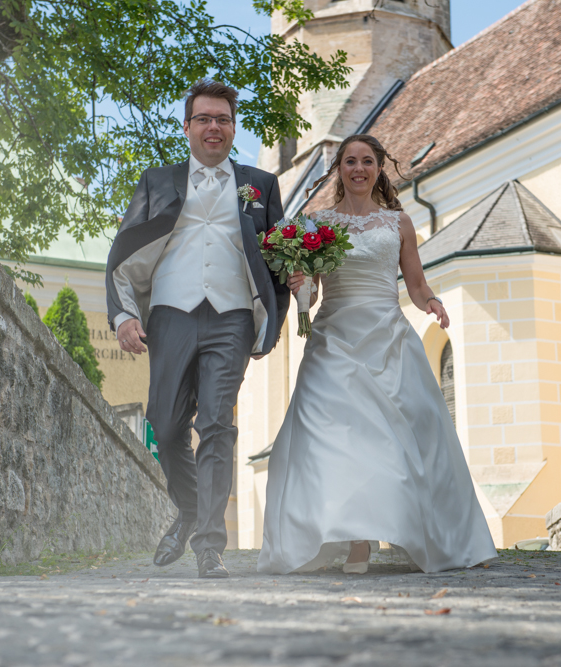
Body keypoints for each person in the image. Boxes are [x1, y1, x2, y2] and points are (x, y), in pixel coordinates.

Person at [257, 134, 498, 575]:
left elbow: (416, 282)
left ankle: (454, 537)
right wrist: (301, 287)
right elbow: (309, 290)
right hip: (333, 339)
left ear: (379, 169)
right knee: (331, 438)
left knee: (410, 437)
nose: (359, 169)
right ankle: (357, 540)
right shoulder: (317, 225)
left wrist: (432, 303)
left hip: (388, 338)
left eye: (367, 161)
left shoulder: (399, 223)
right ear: (339, 170)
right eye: (350, 161)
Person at [105, 79, 288, 578]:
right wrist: (123, 314)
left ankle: (210, 544)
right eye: (204, 118)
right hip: (170, 314)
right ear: (187, 127)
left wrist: (282, 303)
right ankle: (188, 511)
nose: (214, 127)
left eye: (223, 119)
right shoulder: (157, 181)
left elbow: (280, 253)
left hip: (231, 317)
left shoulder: (261, 185)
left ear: (233, 128)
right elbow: (123, 250)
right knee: (164, 427)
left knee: (217, 425)